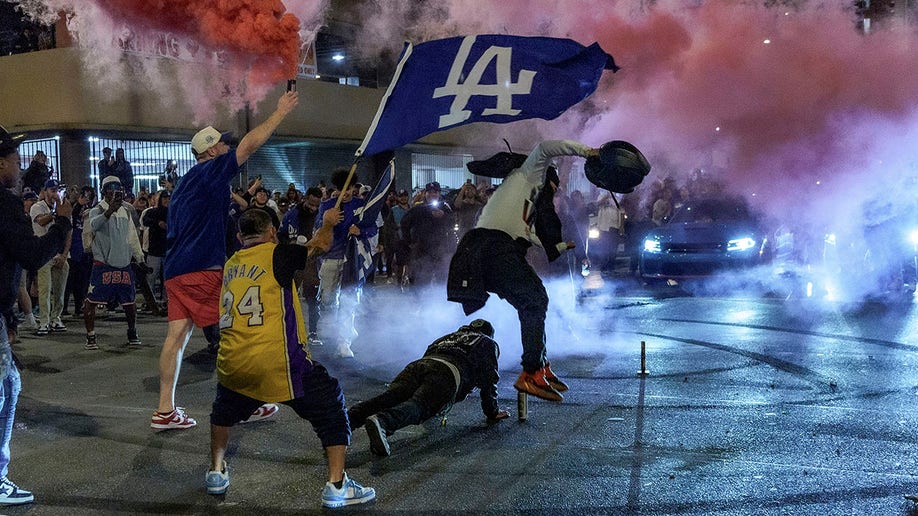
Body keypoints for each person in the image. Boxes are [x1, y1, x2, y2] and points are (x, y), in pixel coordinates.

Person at [206, 208, 376, 509]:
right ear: (272, 231)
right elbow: (320, 245)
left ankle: (216, 472)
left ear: (238, 236)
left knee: (224, 409)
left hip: (232, 361)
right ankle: (337, 486)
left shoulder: (231, 263)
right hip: (278, 361)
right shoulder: (277, 254)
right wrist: (327, 223)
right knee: (331, 407)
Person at [153, 89, 299, 431]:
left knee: (176, 337)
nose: (228, 148)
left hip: (177, 270)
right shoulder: (208, 173)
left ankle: (164, 410)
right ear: (210, 152)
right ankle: (244, 405)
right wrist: (279, 113)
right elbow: (249, 146)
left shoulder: (187, 184)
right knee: (234, 333)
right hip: (202, 267)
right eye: (222, 144)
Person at [447, 140, 599, 402]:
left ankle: (539, 365)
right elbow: (545, 148)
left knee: (532, 301)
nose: (555, 192)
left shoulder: (525, 202)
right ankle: (532, 372)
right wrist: (587, 152)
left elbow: (527, 235)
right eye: (555, 186)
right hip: (493, 247)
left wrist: (561, 246)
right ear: (547, 178)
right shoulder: (527, 176)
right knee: (535, 299)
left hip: (489, 249)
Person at [0, 125, 73, 505]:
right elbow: (30, 255)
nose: (19, 164)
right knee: (4, 389)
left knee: (10, 384)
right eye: (13, 158)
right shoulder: (3, 202)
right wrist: (62, 222)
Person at [347, 319, 509, 457]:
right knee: (420, 405)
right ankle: (384, 422)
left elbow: (428, 353)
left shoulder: (448, 337)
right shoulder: (487, 342)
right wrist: (492, 412)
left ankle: (348, 420)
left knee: (389, 397)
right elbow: (489, 379)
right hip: (447, 372)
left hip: (419, 365)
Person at [82, 176, 146, 350]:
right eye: (111, 187)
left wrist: (139, 257)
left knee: (129, 302)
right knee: (92, 301)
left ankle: (132, 332)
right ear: (103, 191)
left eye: (118, 187)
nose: (115, 191)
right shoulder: (96, 210)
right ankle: (91, 336)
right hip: (103, 264)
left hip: (124, 263)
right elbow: (93, 226)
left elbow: (132, 235)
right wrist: (109, 211)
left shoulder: (125, 211)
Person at [278, 186, 323, 346]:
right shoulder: (291, 215)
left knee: (313, 298)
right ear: (305, 198)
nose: (313, 208)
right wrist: (289, 244)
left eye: (316, 205)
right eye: (311, 203)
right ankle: (289, 330)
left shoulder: (321, 216)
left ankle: (313, 332)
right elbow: (281, 235)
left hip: (312, 262)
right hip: (293, 261)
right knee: (289, 297)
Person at [30, 179, 70, 336]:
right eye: (52, 191)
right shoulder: (37, 206)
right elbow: (40, 221)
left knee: (60, 290)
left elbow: (68, 233)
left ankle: (56, 317)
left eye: (56, 191)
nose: (55, 194)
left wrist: (65, 255)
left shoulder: (63, 207)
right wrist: (56, 214)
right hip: (43, 254)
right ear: (45, 191)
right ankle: (44, 322)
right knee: (45, 289)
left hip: (59, 254)